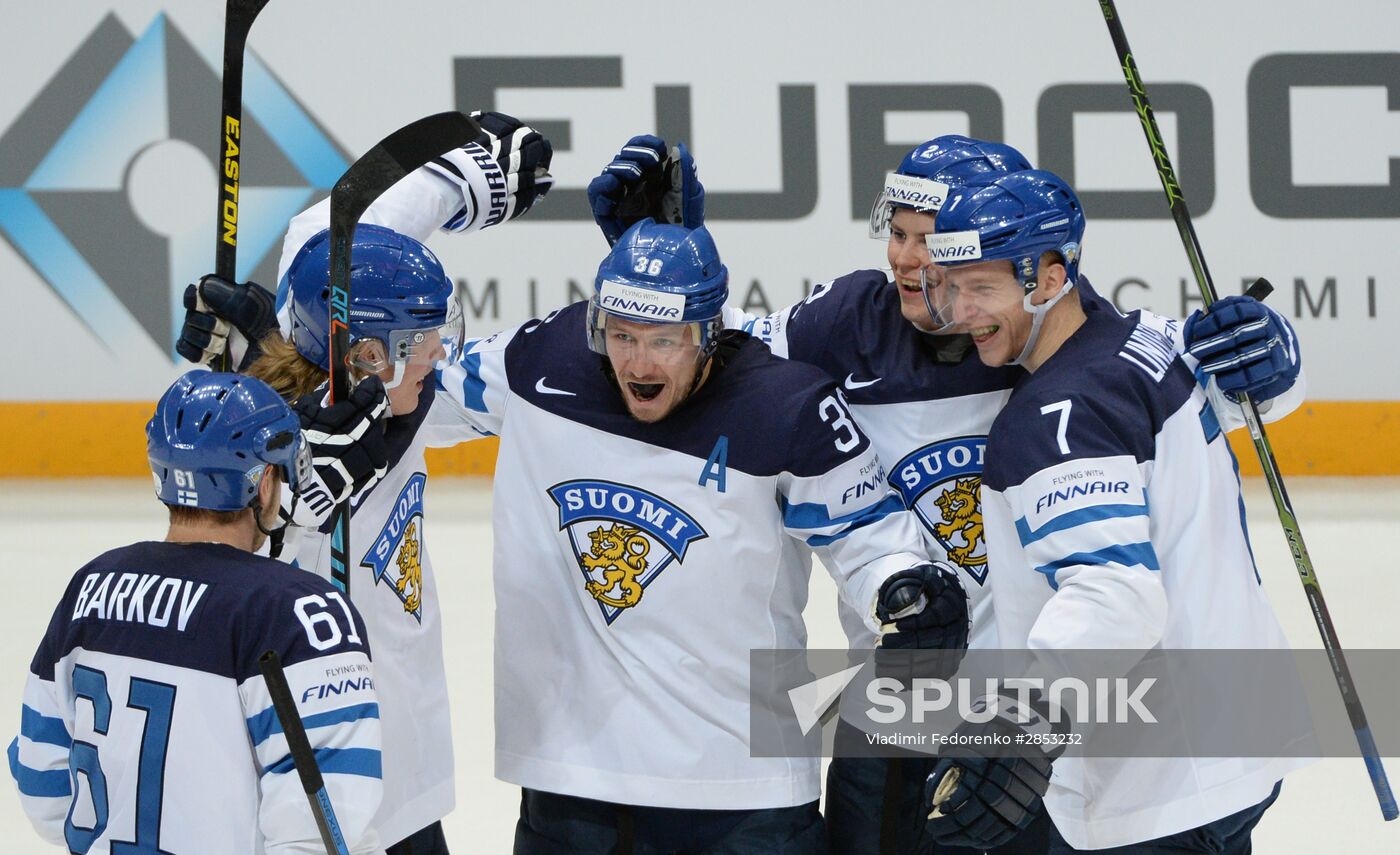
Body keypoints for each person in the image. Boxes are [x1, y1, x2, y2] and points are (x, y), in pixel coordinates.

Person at [586, 135, 1305, 855]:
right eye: (896, 232)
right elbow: (708, 356)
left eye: (929, 241)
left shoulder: (1046, 338)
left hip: (1026, 724)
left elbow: (1206, 385)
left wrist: (1272, 359)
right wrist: (663, 256)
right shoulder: (847, 324)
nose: (903, 258)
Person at [426, 216, 966, 854]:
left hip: (745, 792)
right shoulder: (539, 362)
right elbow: (410, 392)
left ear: (711, 334)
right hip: (572, 783)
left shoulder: (784, 406)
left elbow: (871, 535)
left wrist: (904, 582)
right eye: (621, 336)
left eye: (664, 341)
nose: (638, 362)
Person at [174, 111, 555, 854]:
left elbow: (358, 214)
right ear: (369, 352)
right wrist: (299, 484)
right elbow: (217, 574)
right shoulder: (256, 449)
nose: (439, 351)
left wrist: (480, 168)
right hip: (298, 791)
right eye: (420, 341)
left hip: (403, 776)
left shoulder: (393, 368)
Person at [920, 168, 1306, 853]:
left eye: (983, 288)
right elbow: (1247, 398)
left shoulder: (1053, 418)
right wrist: (1276, 365)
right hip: (1239, 752)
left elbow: (1115, 595)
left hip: (1153, 788)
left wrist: (1021, 723)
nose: (964, 311)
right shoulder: (1151, 339)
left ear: (1048, 276)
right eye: (952, 287)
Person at [8, 370, 383, 853]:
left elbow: (43, 789)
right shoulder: (300, 615)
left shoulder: (90, 588)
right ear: (265, 483)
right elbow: (328, 832)